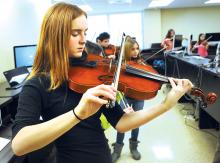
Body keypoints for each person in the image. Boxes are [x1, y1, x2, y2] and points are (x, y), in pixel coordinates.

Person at [11, 2, 193, 163]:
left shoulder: (93, 71)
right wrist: (77, 114)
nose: (83, 40)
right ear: (55, 35)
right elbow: (19, 145)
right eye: (75, 33)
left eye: (85, 32)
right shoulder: (37, 83)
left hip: (102, 155)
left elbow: (121, 122)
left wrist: (165, 105)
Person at [111, 37, 145, 162]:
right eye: (132, 49)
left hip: (139, 98)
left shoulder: (142, 64)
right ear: (126, 50)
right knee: (122, 123)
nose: (136, 52)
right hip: (125, 97)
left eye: (137, 49)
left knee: (136, 123)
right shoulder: (121, 64)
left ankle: (134, 148)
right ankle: (117, 150)